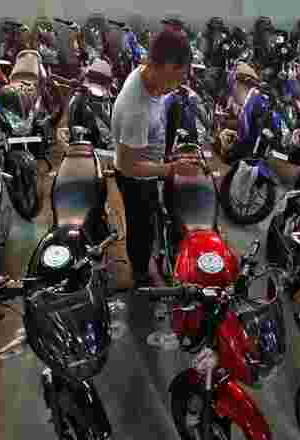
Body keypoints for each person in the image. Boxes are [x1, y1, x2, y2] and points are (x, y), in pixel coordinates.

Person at [111, 28, 199, 288]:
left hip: (149, 162)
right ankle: (140, 275)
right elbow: (128, 166)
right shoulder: (135, 108)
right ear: (167, 66)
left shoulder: (148, 74)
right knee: (141, 228)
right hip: (136, 179)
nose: (177, 85)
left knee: (151, 219)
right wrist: (172, 169)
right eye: (177, 77)